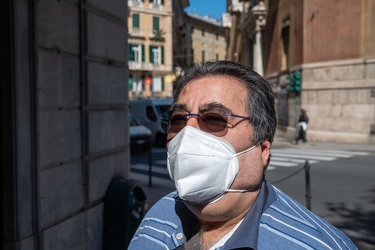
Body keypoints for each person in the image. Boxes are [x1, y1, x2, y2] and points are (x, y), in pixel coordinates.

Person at [128, 61, 356, 249]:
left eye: (214, 119)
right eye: (178, 119)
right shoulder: (158, 214)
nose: (187, 134)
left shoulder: (317, 245)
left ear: (262, 151)